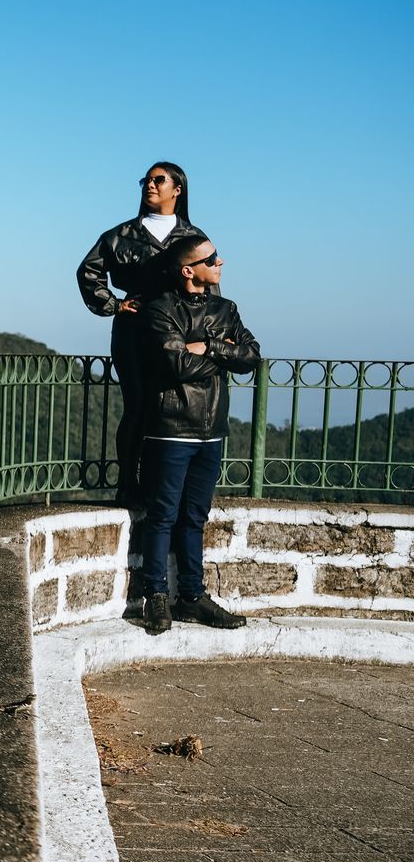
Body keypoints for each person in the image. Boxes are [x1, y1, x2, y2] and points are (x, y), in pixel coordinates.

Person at [135, 234, 260, 634]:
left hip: (212, 431)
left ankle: (192, 597)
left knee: (194, 518)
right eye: (212, 258)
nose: (221, 262)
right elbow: (176, 367)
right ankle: (154, 596)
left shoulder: (226, 308)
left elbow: (252, 356)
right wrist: (222, 353)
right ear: (189, 270)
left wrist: (205, 346)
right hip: (171, 428)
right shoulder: (159, 311)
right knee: (162, 516)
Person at [76, 162, 206, 505]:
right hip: (133, 333)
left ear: (177, 189)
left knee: (171, 409)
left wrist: (209, 336)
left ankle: (163, 485)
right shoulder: (120, 235)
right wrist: (114, 305)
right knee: (136, 406)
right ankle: (128, 485)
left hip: (179, 336)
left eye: (158, 180)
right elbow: (88, 272)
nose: (150, 185)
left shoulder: (194, 239)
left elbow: (210, 285)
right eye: (146, 180)